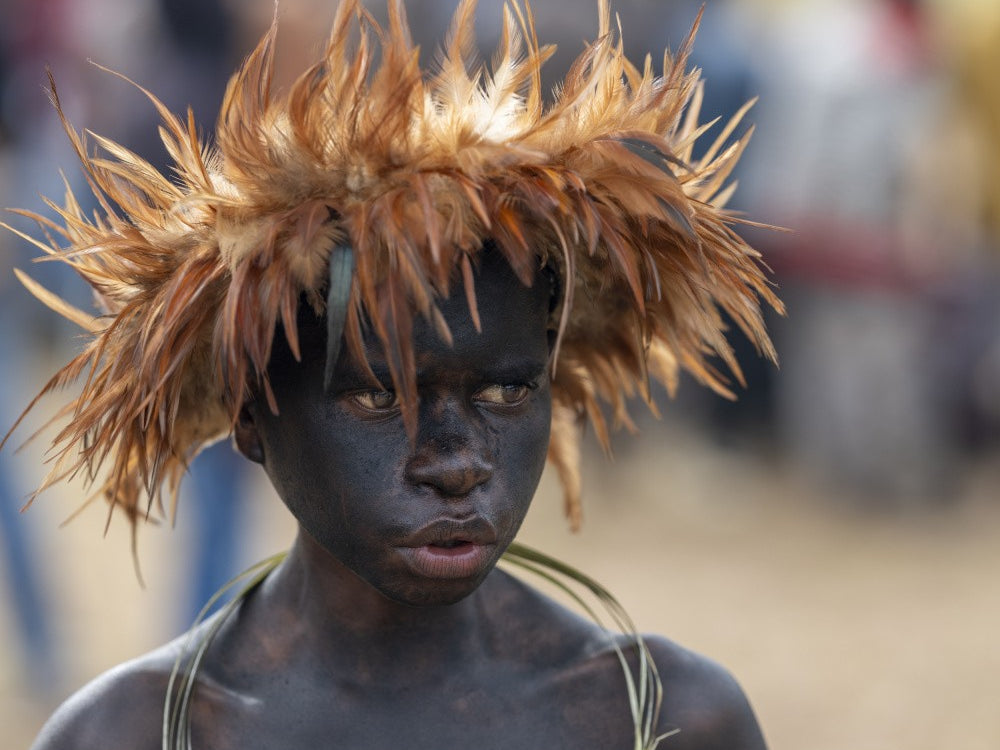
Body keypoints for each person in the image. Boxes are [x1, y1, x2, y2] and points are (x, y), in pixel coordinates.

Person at [5, 2, 781, 748]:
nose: (456, 462)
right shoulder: (136, 736)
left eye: (506, 391)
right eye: (380, 396)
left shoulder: (660, 719)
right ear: (249, 411)